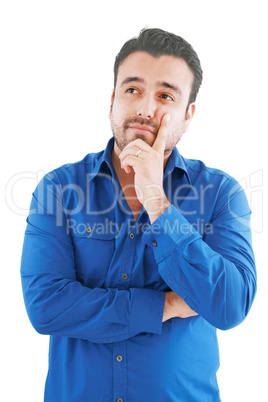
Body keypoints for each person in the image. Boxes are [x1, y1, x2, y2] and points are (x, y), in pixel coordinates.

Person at [21, 28, 257, 401]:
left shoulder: (220, 194)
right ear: (113, 98)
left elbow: (229, 305)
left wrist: (156, 200)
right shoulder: (58, 190)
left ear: (188, 114)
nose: (146, 109)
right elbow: (46, 307)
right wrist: (165, 305)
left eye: (165, 95)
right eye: (133, 89)